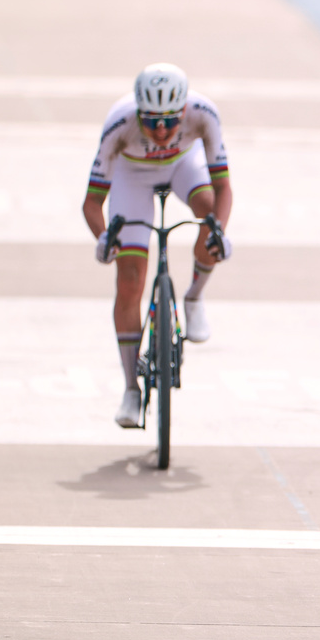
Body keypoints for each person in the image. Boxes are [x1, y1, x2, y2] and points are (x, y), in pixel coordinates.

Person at [82, 62, 233, 428]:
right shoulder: (119, 125)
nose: (161, 129)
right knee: (131, 279)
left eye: (170, 120)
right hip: (131, 176)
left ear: (184, 111)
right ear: (138, 113)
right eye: (151, 121)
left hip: (183, 166)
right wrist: (104, 238)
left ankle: (194, 297)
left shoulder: (204, 113)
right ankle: (131, 389)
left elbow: (223, 188)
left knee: (208, 216)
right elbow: (91, 202)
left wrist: (219, 232)